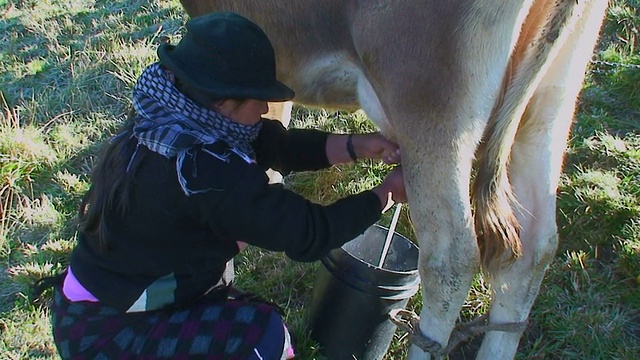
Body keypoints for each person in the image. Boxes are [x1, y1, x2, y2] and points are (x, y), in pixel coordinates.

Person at [38, 11, 406, 359]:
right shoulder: (205, 172)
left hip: (105, 295)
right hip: (105, 333)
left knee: (235, 310)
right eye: (258, 99)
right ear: (227, 102)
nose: (264, 109)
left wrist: (357, 145)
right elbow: (309, 233)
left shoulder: (170, 115)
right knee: (261, 334)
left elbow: (274, 143)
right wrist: (386, 193)